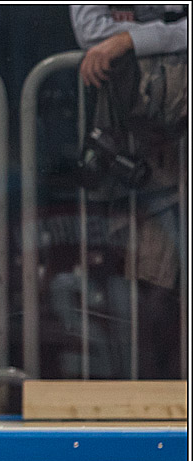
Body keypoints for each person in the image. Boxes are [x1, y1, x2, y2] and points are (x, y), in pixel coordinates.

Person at [70, 4, 187, 379]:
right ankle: (148, 388)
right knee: (144, 284)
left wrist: (128, 37)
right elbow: (90, 32)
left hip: (171, 144)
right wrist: (160, 30)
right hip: (138, 152)